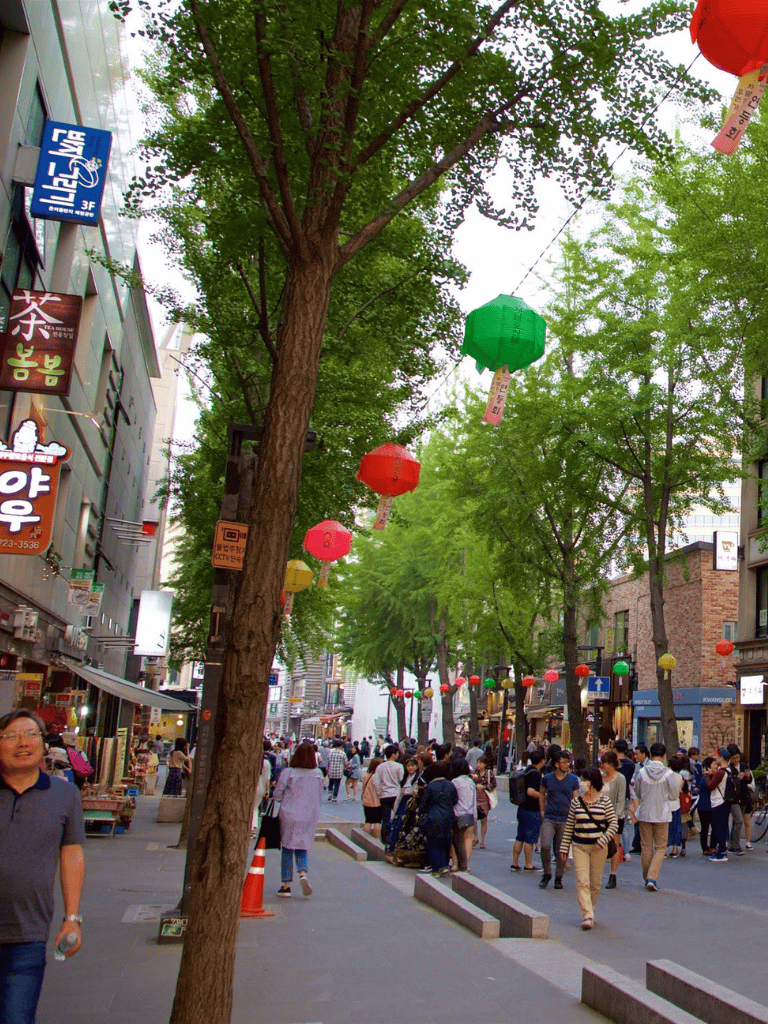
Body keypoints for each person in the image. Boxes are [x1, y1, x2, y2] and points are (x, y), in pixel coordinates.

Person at [0, 710, 85, 1022]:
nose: (23, 743)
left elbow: (71, 854)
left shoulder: (65, 795)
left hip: (27, 934)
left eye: (31, 735)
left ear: (43, 744)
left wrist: (72, 918)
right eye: (11, 736)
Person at [559, 767, 618, 930]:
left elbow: (613, 823)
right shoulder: (576, 802)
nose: (582, 783)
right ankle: (587, 914)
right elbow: (570, 826)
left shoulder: (604, 801)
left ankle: (590, 908)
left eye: (585, 780)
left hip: (599, 847)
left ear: (593, 783)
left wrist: (604, 839)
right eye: (581, 779)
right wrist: (564, 848)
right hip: (580, 846)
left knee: (595, 883)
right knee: (582, 881)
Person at [273, 741, 323, 897]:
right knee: (302, 846)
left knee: (287, 847)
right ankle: (303, 873)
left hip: (289, 814)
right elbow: (320, 796)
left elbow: (278, 794)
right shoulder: (318, 774)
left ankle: (286, 885)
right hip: (309, 815)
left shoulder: (289, 772)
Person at [631, 742, 682, 890]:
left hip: (645, 812)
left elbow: (638, 793)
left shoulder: (642, 772)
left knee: (646, 847)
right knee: (660, 848)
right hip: (662, 813)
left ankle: (647, 877)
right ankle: (652, 878)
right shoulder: (668, 773)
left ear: (650, 755)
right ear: (664, 756)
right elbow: (673, 795)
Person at [538, 750, 579, 889]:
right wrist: (542, 810)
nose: (567, 765)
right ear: (556, 764)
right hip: (549, 816)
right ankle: (547, 872)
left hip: (565, 818)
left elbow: (575, 798)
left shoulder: (573, 780)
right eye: (564, 762)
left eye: (568, 762)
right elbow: (542, 793)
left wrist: (575, 816)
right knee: (545, 845)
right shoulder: (547, 778)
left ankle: (559, 876)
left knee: (562, 849)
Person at [418, 762, 458, 876]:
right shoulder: (450, 785)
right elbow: (455, 800)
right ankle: (444, 865)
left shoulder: (430, 786)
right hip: (448, 816)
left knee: (433, 842)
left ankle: (436, 868)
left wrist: (420, 813)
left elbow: (424, 804)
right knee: (445, 841)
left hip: (433, 816)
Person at [511, 749, 544, 872]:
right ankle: (528, 864)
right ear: (542, 761)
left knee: (520, 836)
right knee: (530, 839)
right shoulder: (535, 774)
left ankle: (515, 862)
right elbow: (530, 791)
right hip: (532, 810)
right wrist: (542, 796)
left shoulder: (526, 770)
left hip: (522, 808)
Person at [599, 750, 626, 889]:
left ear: (611, 763)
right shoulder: (601, 777)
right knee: (599, 845)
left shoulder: (620, 778)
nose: (603, 766)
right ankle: (597, 873)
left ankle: (613, 874)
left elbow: (621, 799)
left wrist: (616, 815)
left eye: (604, 763)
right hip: (600, 816)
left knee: (614, 845)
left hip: (614, 816)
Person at [450, 758, 477, 873]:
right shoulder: (471, 782)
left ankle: (456, 863)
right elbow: (474, 799)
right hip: (470, 813)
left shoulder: (454, 782)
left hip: (457, 813)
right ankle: (466, 863)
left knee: (456, 840)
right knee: (468, 839)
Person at [373, 745, 402, 843]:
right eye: (397, 753)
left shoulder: (381, 767)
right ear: (393, 754)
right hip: (395, 794)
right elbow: (401, 780)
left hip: (385, 794)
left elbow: (376, 782)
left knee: (385, 818)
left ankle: (384, 838)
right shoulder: (399, 766)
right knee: (396, 816)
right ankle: (394, 837)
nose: (398, 755)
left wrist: (379, 793)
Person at [473, 753, 497, 849]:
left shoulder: (489, 773)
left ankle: (482, 840)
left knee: (483, 819)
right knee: (474, 818)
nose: (478, 765)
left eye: (481, 763)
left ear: (485, 764)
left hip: (484, 798)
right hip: (475, 797)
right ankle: (475, 837)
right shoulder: (475, 773)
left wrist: (483, 786)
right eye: (478, 763)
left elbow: (493, 785)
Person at [361, 758, 383, 838]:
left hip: (367, 801)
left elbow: (363, 789)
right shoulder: (378, 777)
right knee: (377, 822)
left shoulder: (365, 775)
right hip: (377, 802)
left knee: (368, 821)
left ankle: (365, 839)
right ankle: (376, 839)